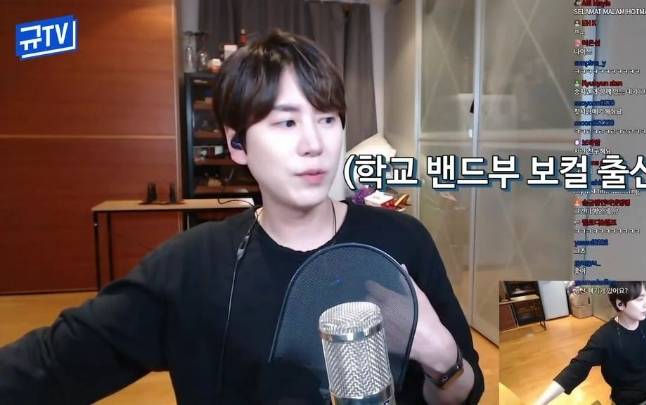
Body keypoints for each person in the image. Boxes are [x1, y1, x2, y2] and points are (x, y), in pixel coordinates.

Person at [0, 30, 483, 404]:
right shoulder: (192, 266)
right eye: (286, 121)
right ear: (237, 144)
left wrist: (441, 356)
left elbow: (466, 391)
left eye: (327, 119)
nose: (314, 143)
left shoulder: (403, 241)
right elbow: (50, 366)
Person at [535, 281, 646, 405]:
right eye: (640, 299)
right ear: (620, 304)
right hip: (630, 399)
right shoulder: (604, 337)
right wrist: (540, 402)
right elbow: (576, 370)